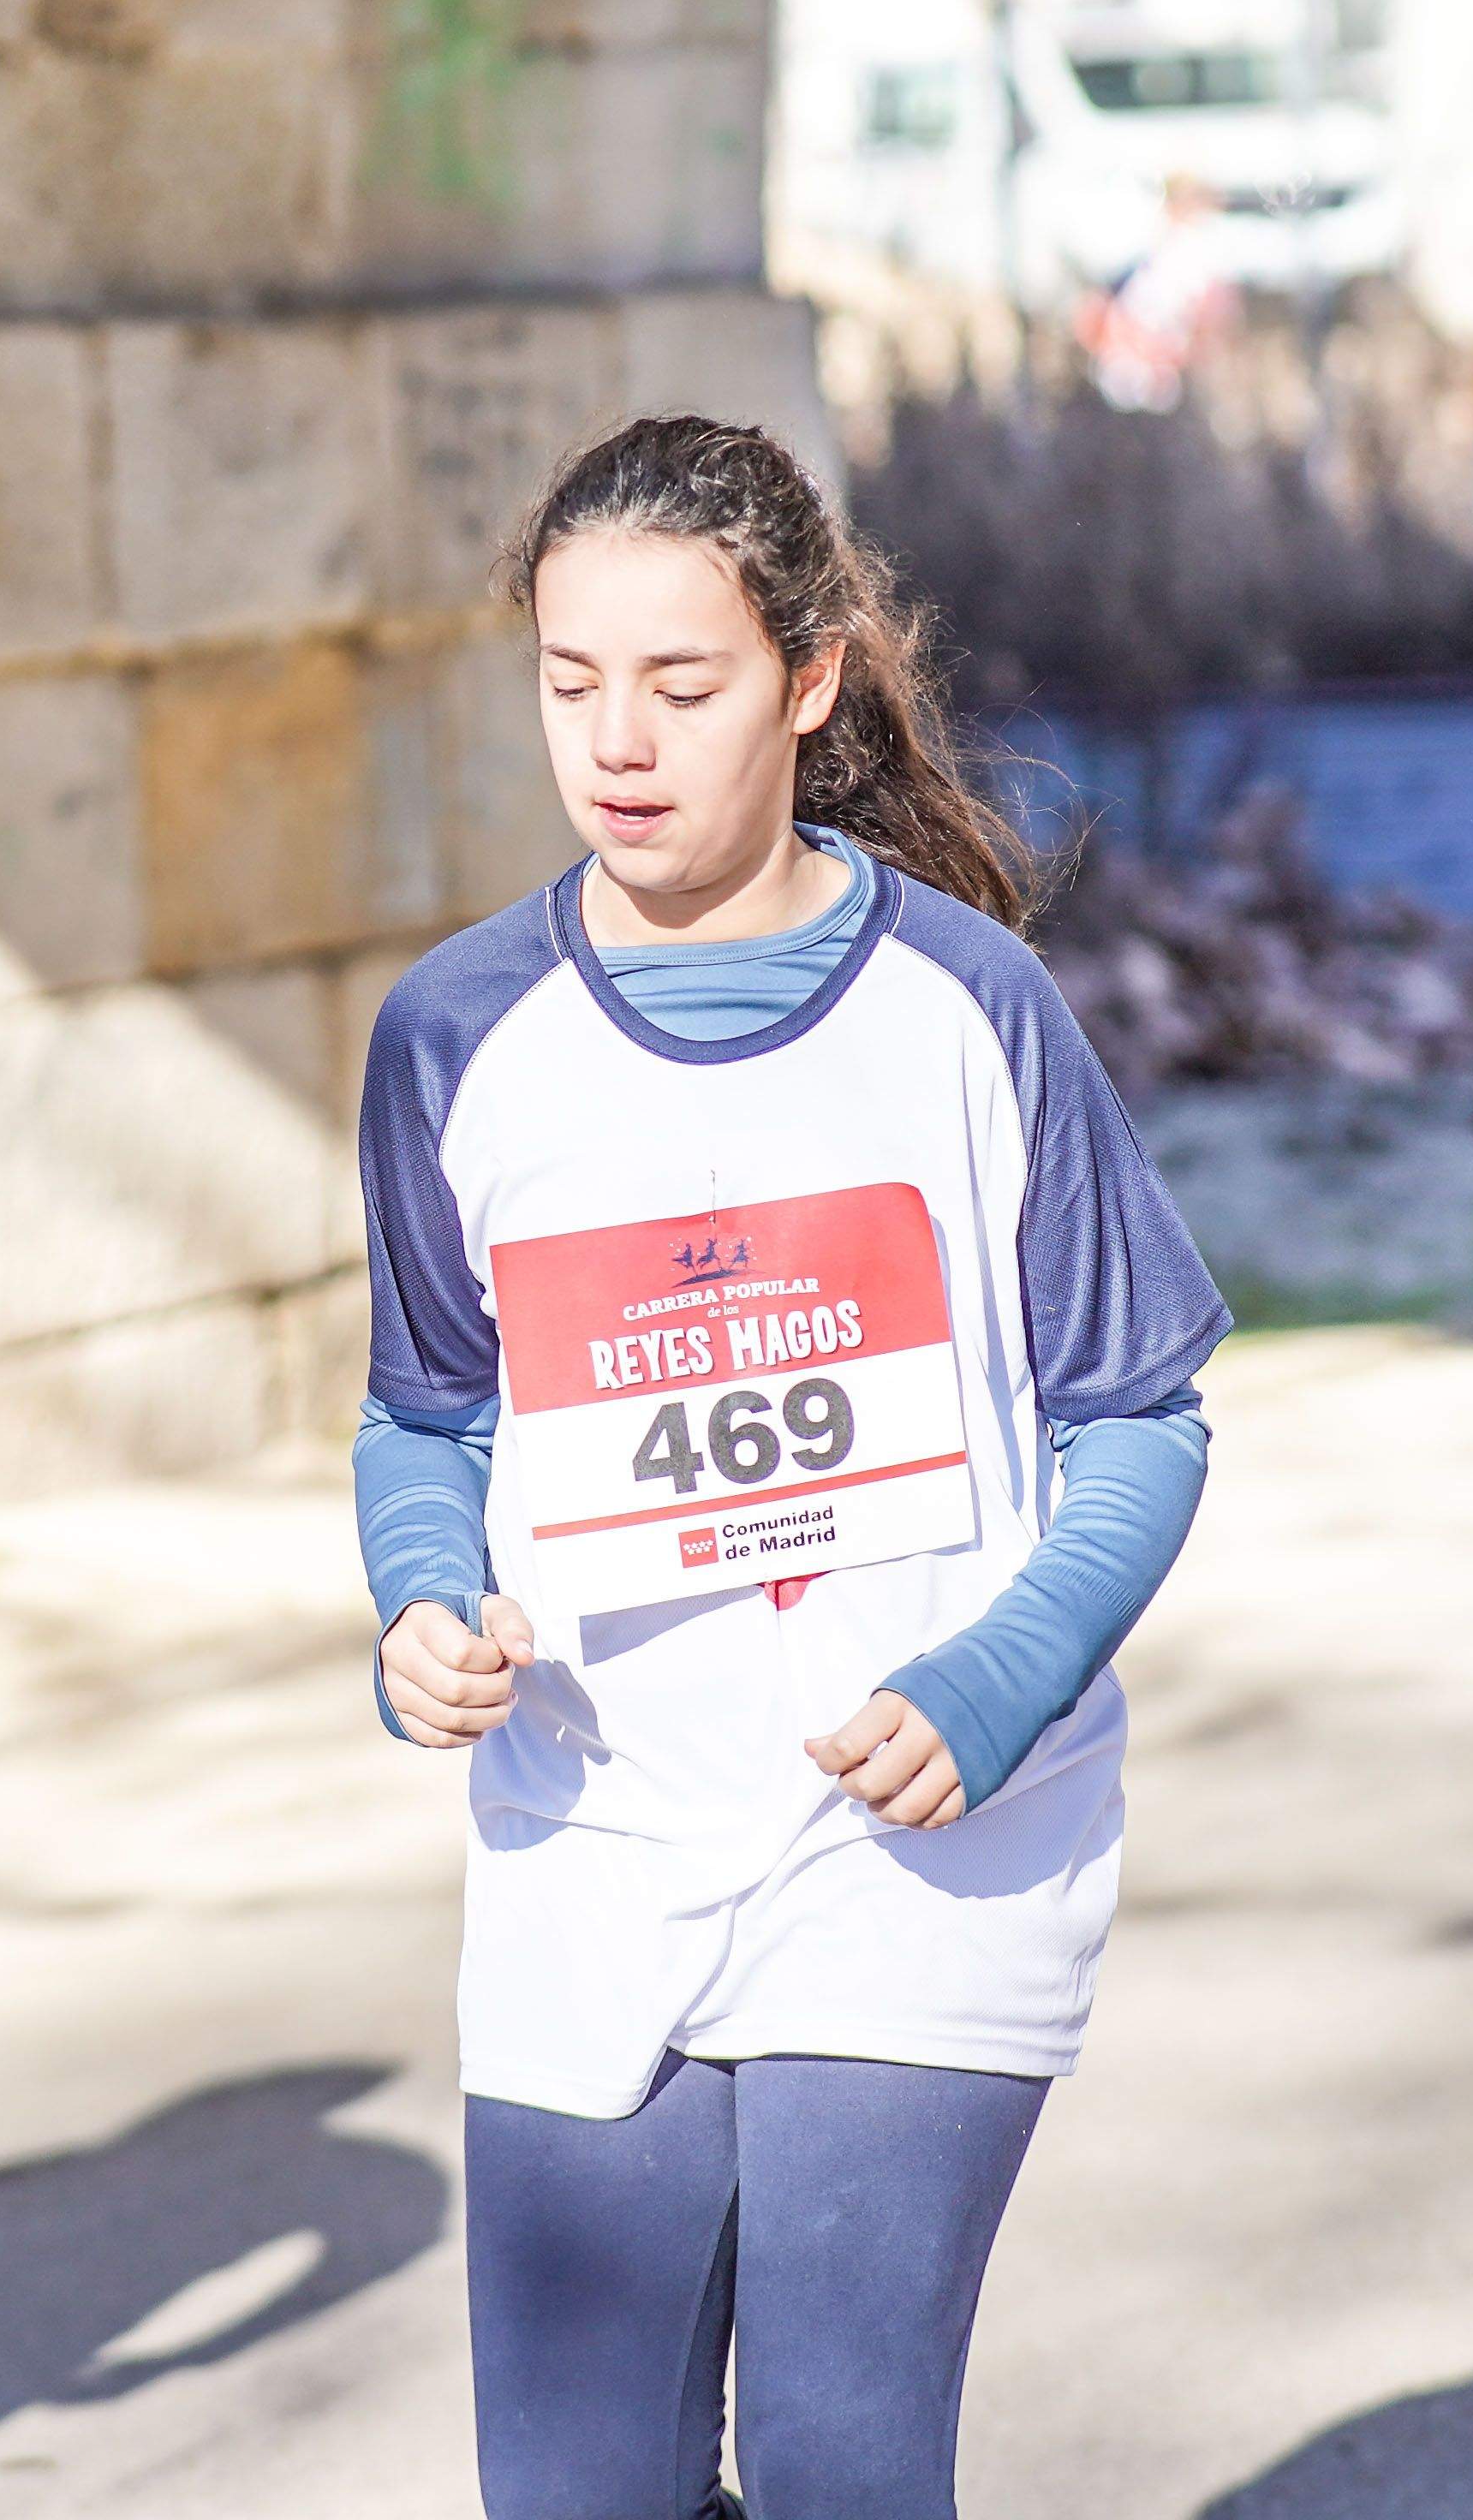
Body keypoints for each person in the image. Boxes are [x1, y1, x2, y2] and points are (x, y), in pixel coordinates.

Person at [356, 416, 1226, 2520]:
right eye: (571, 682)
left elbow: (1141, 1417)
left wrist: (986, 1683)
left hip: (911, 1840)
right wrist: (414, 1600)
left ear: (810, 675)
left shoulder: (967, 1008)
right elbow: (428, 1408)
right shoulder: (456, 1031)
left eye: (683, 681)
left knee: (844, 2465)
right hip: (597, 1831)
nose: (616, 742)